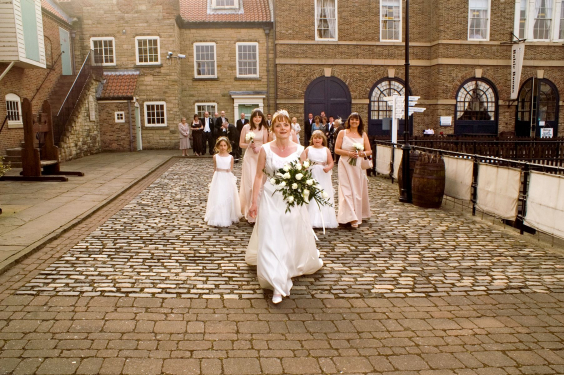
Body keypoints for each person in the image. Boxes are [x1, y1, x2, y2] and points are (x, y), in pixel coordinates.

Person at [246, 110, 323, 304]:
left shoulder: (300, 150)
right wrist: (254, 202)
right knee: (272, 234)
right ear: (272, 129)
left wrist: (305, 195)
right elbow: (258, 176)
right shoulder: (265, 149)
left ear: (291, 129)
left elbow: (305, 177)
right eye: (278, 125)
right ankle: (278, 283)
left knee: (288, 234)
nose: (282, 128)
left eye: (285, 125)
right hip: (271, 197)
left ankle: (287, 266)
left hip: (292, 199)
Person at [334, 112, 372, 228]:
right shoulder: (342, 133)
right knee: (346, 190)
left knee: (356, 190)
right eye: (352, 120)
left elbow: (369, 151)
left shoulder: (363, 134)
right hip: (345, 164)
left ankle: (356, 214)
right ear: (349, 121)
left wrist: (362, 153)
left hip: (358, 166)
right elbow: (336, 149)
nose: (354, 122)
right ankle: (349, 217)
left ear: (359, 122)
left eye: (356, 120)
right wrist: (349, 153)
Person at [301, 130, 338, 229]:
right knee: (312, 194)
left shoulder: (326, 150)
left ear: (323, 140)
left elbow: (331, 162)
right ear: (312, 139)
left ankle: (324, 219)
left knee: (322, 194)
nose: (317, 140)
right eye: (315, 138)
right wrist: (304, 168)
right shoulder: (308, 149)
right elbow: (302, 161)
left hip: (322, 174)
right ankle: (310, 219)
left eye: (319, 138)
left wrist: (328, 168)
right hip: (311, 173)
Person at [239, 109, 269, 223]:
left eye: (259, 117)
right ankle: (249, 212)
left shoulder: (264, 128)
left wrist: (259, 148)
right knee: (250, 184)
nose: (257, 119)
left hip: (260, 156)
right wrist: (249, 145)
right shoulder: (246, 128)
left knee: (260, 184)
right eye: (255, 117)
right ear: (252, 118)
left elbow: (266, 144)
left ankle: (260, 211)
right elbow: (240, 143)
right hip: (250, 157)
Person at [204, 137, 242, 227]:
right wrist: (214, 181)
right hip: (218, 177)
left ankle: (228, 215)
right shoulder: (215, 157)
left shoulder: (230, 157)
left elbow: (230, 169)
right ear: (218, 146)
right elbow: (215, 169)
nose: (223, 147)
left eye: (224, 145)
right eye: (221, 145)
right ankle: (217, 216)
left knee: (227, 196)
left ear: (228, 146)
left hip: (227, 178)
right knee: (218, 195)